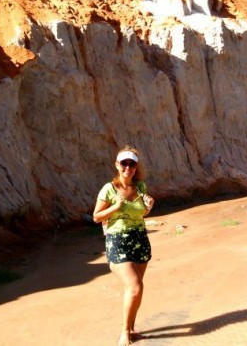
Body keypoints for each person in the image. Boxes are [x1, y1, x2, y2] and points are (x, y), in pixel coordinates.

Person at [93, 146, 155, 346]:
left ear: (136, 167)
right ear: (117, 165)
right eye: (124, 163)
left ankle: (132, 328)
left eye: (132, 163)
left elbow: (141, 214)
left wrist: (149, 206)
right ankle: (124, 332)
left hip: (140, 239)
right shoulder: (109, 189)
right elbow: (96, 217)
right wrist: (115, 207)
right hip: (117, 240)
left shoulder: (141, 187)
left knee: (136, 289)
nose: (128, 167)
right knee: (135, 287)